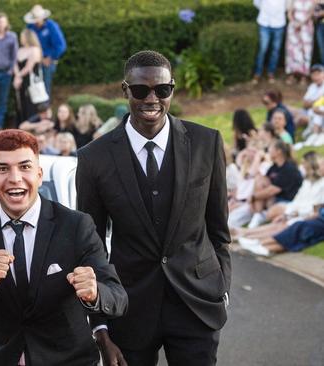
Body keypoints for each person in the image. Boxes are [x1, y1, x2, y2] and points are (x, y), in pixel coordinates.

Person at [76, 51, 231, 366]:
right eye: (140, 90)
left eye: (162, 90)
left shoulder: (207, 142)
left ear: (172, 89)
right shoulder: (94, 157)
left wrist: (220, 290)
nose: (152, 98)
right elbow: (89, 247)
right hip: (127, 310)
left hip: (196, 305)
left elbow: (219, 231)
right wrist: (100, 327)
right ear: (125, 90)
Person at [0, 129, 127, 366]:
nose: (15, 178)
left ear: (38, 174)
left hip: (69, 360)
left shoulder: (75, 225)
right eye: (3, 169)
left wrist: (94, 292)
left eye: (25, 167)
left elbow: (118, 297)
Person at [248, 139, 304, 228]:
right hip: (273, 199)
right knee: (259, 179)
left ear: (279, 151)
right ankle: (258, 214)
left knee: (261, 184)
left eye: (270, 148)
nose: (268, 150)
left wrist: (252, 197)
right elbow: (263, 184)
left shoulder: (288, 168)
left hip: (286, 201)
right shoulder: (274, 167)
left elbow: (273, 190)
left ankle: (258, 215)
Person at [239, 206, 324, 256]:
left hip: (320, 222)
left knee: (300, 227)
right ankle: (263, 245)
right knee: (298, 226)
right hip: (317, 219)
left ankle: (263, 244)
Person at [24, 4, 66, 94]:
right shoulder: (30, 27)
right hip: (32, 62)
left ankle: (45, 107)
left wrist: (50, 57)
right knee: (32, 89)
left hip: (47, 62)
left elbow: (60, 46)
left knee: (44, 90)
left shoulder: (51, 26)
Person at [253, 0, 288, 84]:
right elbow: (256, 3)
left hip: (279, 23)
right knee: (263, 49)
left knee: (275, 50)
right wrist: (266, 11)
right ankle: (257, 73)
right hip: (264, 22)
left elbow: (287, 5)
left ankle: (271, 73)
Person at [13, 29, 44, 124]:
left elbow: (29, 67)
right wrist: (17, 77)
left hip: (31, 81)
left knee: (30, 103)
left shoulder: (35, 50)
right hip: (20, 80)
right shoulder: (19, 50)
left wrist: (18, 76)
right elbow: (14, 64)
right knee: (20, 103)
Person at [284, 0, 315, 84]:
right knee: (292, 51)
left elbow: (311, 13)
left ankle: (304, 76)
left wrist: (301, 23)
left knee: (306, 50)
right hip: (293, 27)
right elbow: (289, 13)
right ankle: (292, 74)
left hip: (306, 27)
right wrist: (294, 23)